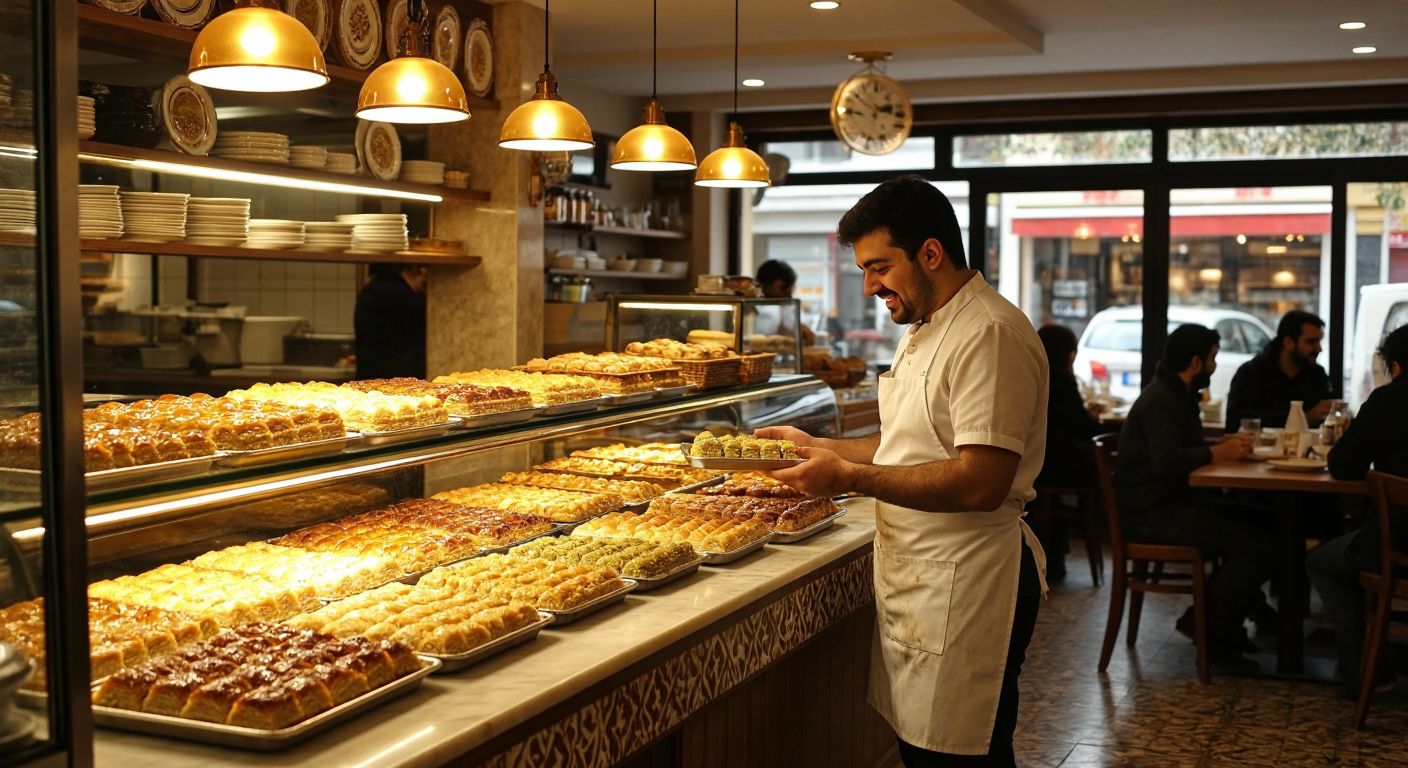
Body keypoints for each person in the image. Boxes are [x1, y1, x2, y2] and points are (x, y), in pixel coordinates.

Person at [757, 175, 1048, 767]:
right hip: (926, 577)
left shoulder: (987, 332)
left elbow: (980, 480)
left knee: (962, 759)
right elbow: (910, 440)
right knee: (926, 755)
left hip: (970, 583)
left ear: (931, 253)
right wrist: (821, 446)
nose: (869, 286)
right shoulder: (928, 325)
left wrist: (846, 478)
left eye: (879, 267)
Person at [1114, 324, 1275, 670]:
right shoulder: (1162, 400)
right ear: (1196, 361)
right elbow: (1167, 461)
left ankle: (1214, 620)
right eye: (1213, 358)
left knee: (1265, 525)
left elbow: (1182, 452)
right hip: (1152, 515)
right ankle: (1214, 635)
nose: (1215, 366)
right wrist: (1216, 455)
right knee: (1258, 545)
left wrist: (1221, 449)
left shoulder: (1178, 396)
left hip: (1173, 504)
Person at [1306, 324, 1408, 695]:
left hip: (1396, 546)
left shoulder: (1387, 401)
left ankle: (1366, 670)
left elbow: (1343, 466)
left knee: (1321, 563)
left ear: (1395, 366)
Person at [1034, 323, 1104, 581]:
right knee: (1102, 463)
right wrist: (1093, 417)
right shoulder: (1061, 379)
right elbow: (1082, 427)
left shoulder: (1034, 374)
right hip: (1058, 465)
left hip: (1037, 463)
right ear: (1068, 353)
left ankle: (1057, 554)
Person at [1225, 309, 1333, 429]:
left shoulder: (1317, 375)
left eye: (1319, 341)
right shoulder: (1251, 374)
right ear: (1288, 343)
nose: (1319, 348)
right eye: (1311, 342)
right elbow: (1235, 422)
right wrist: (1305, 418)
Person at [354, 263, 428, 380]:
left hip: (373, 375)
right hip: (391, 379)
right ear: (417, 269)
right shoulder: (398, 293)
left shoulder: (378, 285)